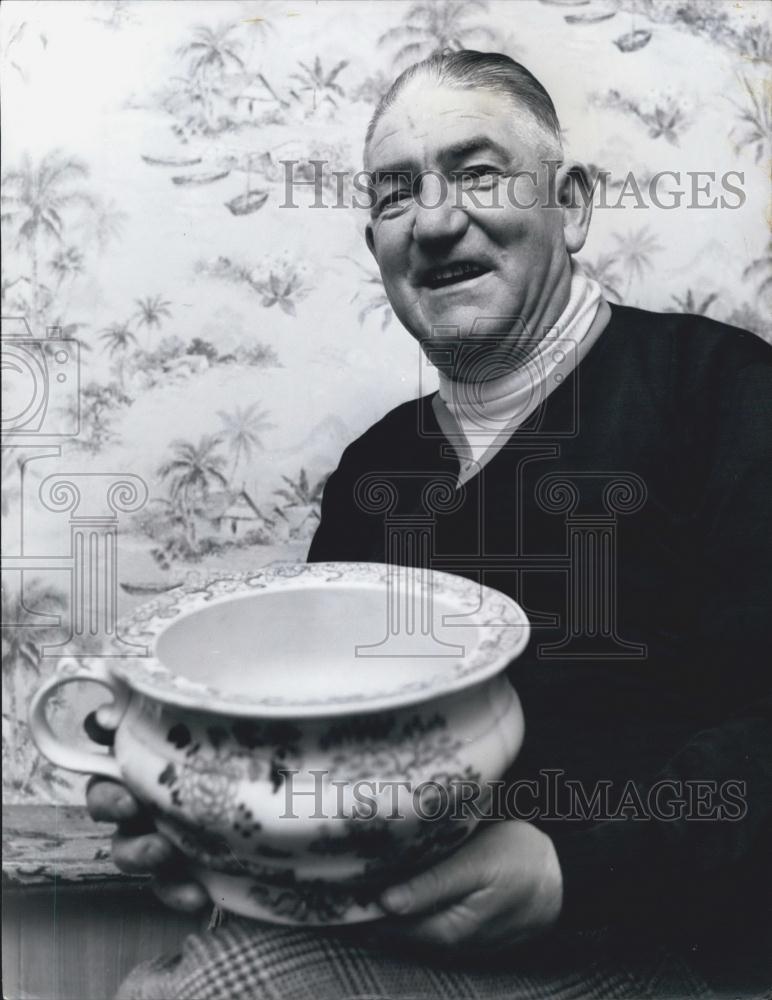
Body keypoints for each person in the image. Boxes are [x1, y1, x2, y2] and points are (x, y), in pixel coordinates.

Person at [89, 51, 771, 996]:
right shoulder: (377, 472)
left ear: (570, 205)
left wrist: (573, 870)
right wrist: (214, 835)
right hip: (397, 934)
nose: (438, 218)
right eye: (398, 191)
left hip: (656, 947)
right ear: (375, 243)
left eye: (479, 172)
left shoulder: (725, 396)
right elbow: (327, 749)